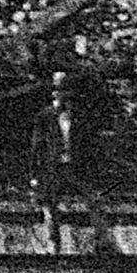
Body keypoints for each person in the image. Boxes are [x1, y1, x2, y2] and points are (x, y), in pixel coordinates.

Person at [33, 70, 91, 250]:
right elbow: (37, 146)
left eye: (64, 90)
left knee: (88, 202)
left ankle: (93, 244)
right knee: (50, 204)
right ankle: (53, 243)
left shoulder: (77, 116)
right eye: (57, 90)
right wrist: (35, 172)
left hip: (73, 164)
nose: (61, 94)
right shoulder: (45, 116)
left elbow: (86, 143)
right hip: (53, 165)